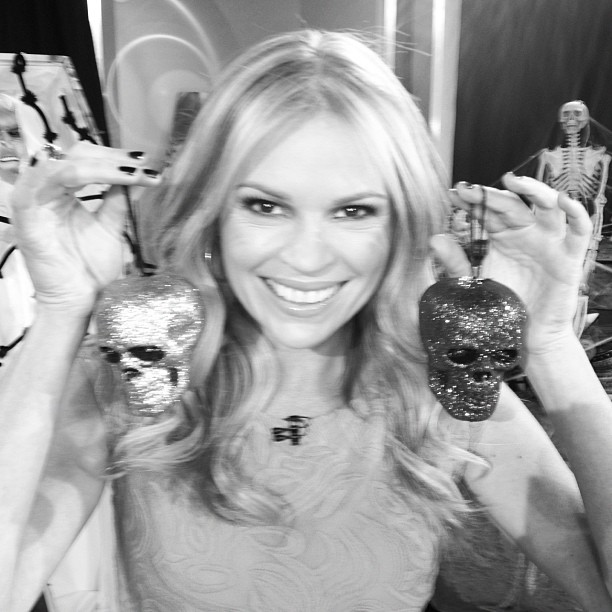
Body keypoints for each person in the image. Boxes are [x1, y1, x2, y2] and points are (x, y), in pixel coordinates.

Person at [1, 29, 611, 612]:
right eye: (265, 205)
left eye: (353, 211)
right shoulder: (140, 364)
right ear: (213, 212)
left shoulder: (442, 378)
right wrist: (60, 312)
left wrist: (550, 346)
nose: (308, 258)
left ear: (400, 223)